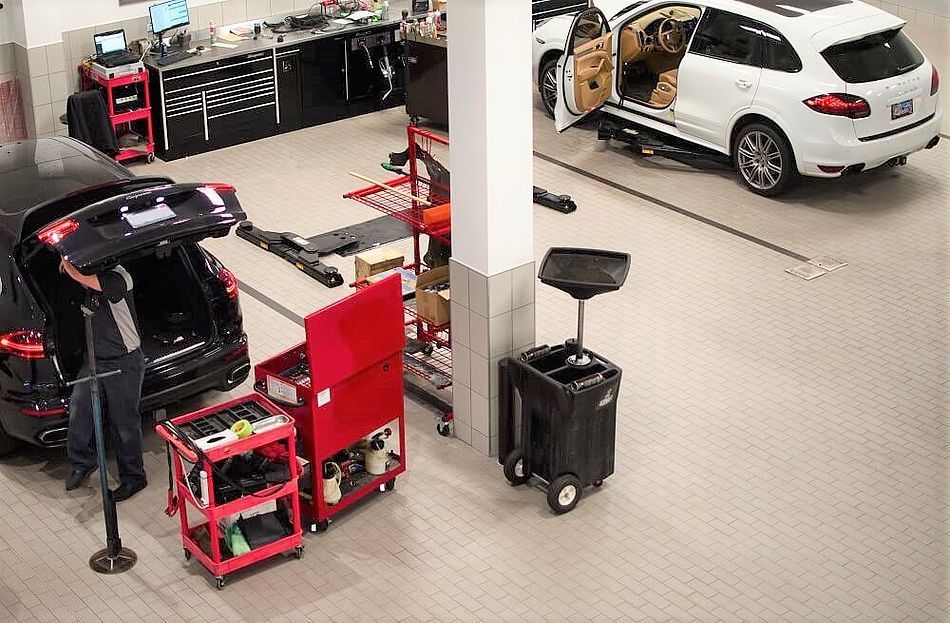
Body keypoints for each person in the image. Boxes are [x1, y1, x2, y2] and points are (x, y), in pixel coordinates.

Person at [61, 257, 147, 502]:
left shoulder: (118, 277)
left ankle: (134, 478)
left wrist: (70, 268)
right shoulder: (95, 274)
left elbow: (86, 280)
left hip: (124, 362)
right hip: (96, 361)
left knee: (124, 423)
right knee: (80, 407)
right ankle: (82, 462)